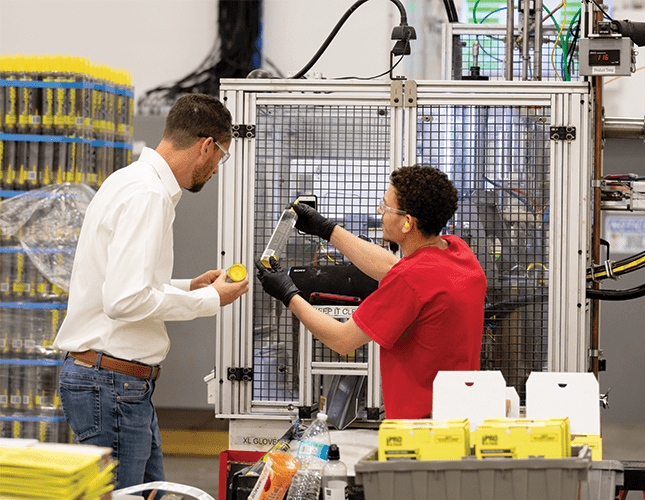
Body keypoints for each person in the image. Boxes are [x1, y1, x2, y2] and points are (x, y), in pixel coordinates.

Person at [53, 93, 249, 490]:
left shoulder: (129, 181)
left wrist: (186, 286)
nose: (215, 170)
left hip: (114, 384)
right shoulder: (149, 196)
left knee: (148, 493)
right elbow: (125, 300)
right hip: (110, 386)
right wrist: (210, 300)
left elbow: (121, 283)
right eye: (220, 158)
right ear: (206, 146)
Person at [256, 165, 487, 419]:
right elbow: (392, 267)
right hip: (462, 411)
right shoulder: (457, 251)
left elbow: (342, 339)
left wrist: (288, 294)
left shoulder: (410, 279)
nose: (380, 211)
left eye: (386, 207)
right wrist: (327, 230)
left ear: (408, 222)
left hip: (421, 424)